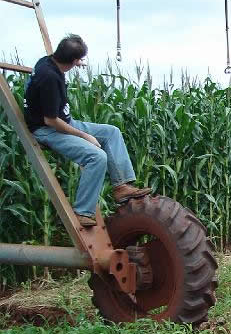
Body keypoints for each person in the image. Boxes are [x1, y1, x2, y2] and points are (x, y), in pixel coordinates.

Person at [24, 34, 150, 227]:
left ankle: (121, 186)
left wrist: (75, 62)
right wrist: (84, 135)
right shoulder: (49, 78)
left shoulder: (48, 61)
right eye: (79, 60)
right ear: (73, 60)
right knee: (97, 157)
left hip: (66, 122)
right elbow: (51, 121)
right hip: (47, 130)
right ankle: (83, 212)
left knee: (112, 132)